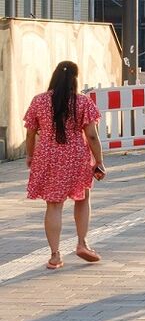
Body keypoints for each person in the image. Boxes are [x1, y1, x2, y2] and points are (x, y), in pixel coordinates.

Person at [25, 61, 105, 270]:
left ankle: (55, 255)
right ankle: (82, 243)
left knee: (54, 205)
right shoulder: (82, 102)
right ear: (75, 79)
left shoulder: (39, 101)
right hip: (76, 156)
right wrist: (99, 161)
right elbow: (92, 136)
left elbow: (30, 133)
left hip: (47, 156)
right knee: (83, 198)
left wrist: (30, 155)